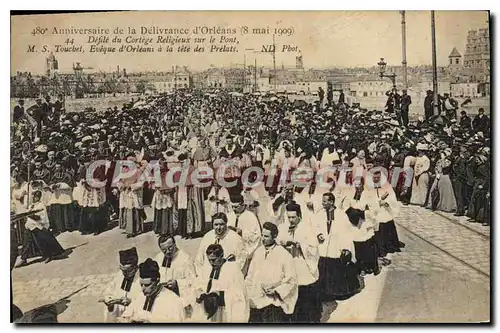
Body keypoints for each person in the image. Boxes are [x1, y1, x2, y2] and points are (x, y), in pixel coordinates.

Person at [245, 222, 297, 323]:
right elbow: (250, 276)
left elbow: (292, 280)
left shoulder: (284, 255)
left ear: (274, 236)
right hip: (256, 300)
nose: (263, 239)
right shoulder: (258, 252)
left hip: (273, 302)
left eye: (266, 236)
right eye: (262, 236)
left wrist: (277, 290)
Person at [277, 203, 320, 323]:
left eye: (293, 217)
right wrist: (283, 243)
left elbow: (313, 248)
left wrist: (298, 244)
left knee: (303, 294)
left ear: (299, 216)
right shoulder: (283, 227)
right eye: (289, 217)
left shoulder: (306, 228)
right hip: (289, 263)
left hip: (302, 263)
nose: (290, 220)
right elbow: (278, 241)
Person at [312, 193, 359, 302]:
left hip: (336, 246)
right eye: (322, 201)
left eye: (325, 201)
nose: (323, 203)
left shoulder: (341, 215)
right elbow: (315, 225)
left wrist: (345, 247)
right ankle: (325, 292)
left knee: (336, 270)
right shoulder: (319, 214)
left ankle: (338, 292)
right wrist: (318, 234)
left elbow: (346, 232)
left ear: (332, 202)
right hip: (324, 247)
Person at [193, 244, 250, 323]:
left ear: (221, 256)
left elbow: (240, 295)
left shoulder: (233, 270)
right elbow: (197, 285)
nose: (211, 263)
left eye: (214, 260)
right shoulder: (207, 269)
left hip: (225, 311)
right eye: (209, 260)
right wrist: (200, 294)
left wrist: (220, 294)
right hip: (210, 311)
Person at [119, 258, 185, 323]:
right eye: (141, 285)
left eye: (147, 285)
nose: (143, 289)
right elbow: (126, 316)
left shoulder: (173, 300)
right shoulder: (141, 297)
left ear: (157, 281)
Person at [16, 190, 67, 267]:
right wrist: (28, 213)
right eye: (33, 196)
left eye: (36, 197)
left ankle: (48, 255)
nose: (34, 198)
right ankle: (24, 259)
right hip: (29, 226)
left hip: (38, 226)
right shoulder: (31, 205)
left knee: (42, 241)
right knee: (26, 242)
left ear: (39, 197)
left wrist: (30, 215)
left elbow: (39, 218)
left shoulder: (41, 206)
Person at [152, 234, 197, 320]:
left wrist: (177, 283)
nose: (168, 252)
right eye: (164, 250)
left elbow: (193, 280)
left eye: (170, 248)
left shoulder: (185, 259)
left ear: (175, 244)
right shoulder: (158, 258)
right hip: (163, 297)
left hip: (180, 297)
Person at [366, 171, 402, 265]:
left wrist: (386, 202)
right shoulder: (369, 187)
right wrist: (378, 201)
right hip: (374, 211)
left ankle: (388, 245)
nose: (376, 180)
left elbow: (392, 199)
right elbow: (367, 199)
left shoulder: (387, 187)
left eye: (378, 178)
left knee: (385, 220)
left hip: (385, 210)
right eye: (374, 178)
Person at [101, 247, 141, 323]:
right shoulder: (120, 275)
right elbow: (110, 289)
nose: (124, 274)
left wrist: (131, 302)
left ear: (135, 268)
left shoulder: (141, 278)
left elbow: (143, 301)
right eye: (123, 271)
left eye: (128, 271)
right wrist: (109, 300)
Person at [227, 195, 261, 276]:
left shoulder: (250, 216)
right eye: (232, 207)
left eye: (236, 207)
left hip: (246, 250)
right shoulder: (230, 215)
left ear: (242, 205)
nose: (234, 209)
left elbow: (256, 236)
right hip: (232, 250)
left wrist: (241, 232)